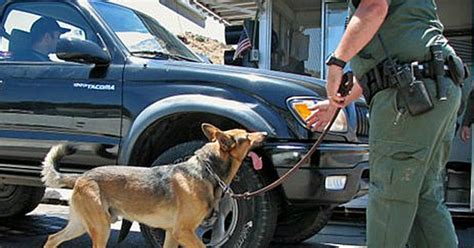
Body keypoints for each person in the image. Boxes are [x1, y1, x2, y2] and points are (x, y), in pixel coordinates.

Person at [306, 0, 462, 247]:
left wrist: (336, 62)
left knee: (390, 195)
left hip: (410, 95)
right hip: (436, 86)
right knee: (424, 196)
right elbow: (379, 63)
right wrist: (337, 102)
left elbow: (375, 7)